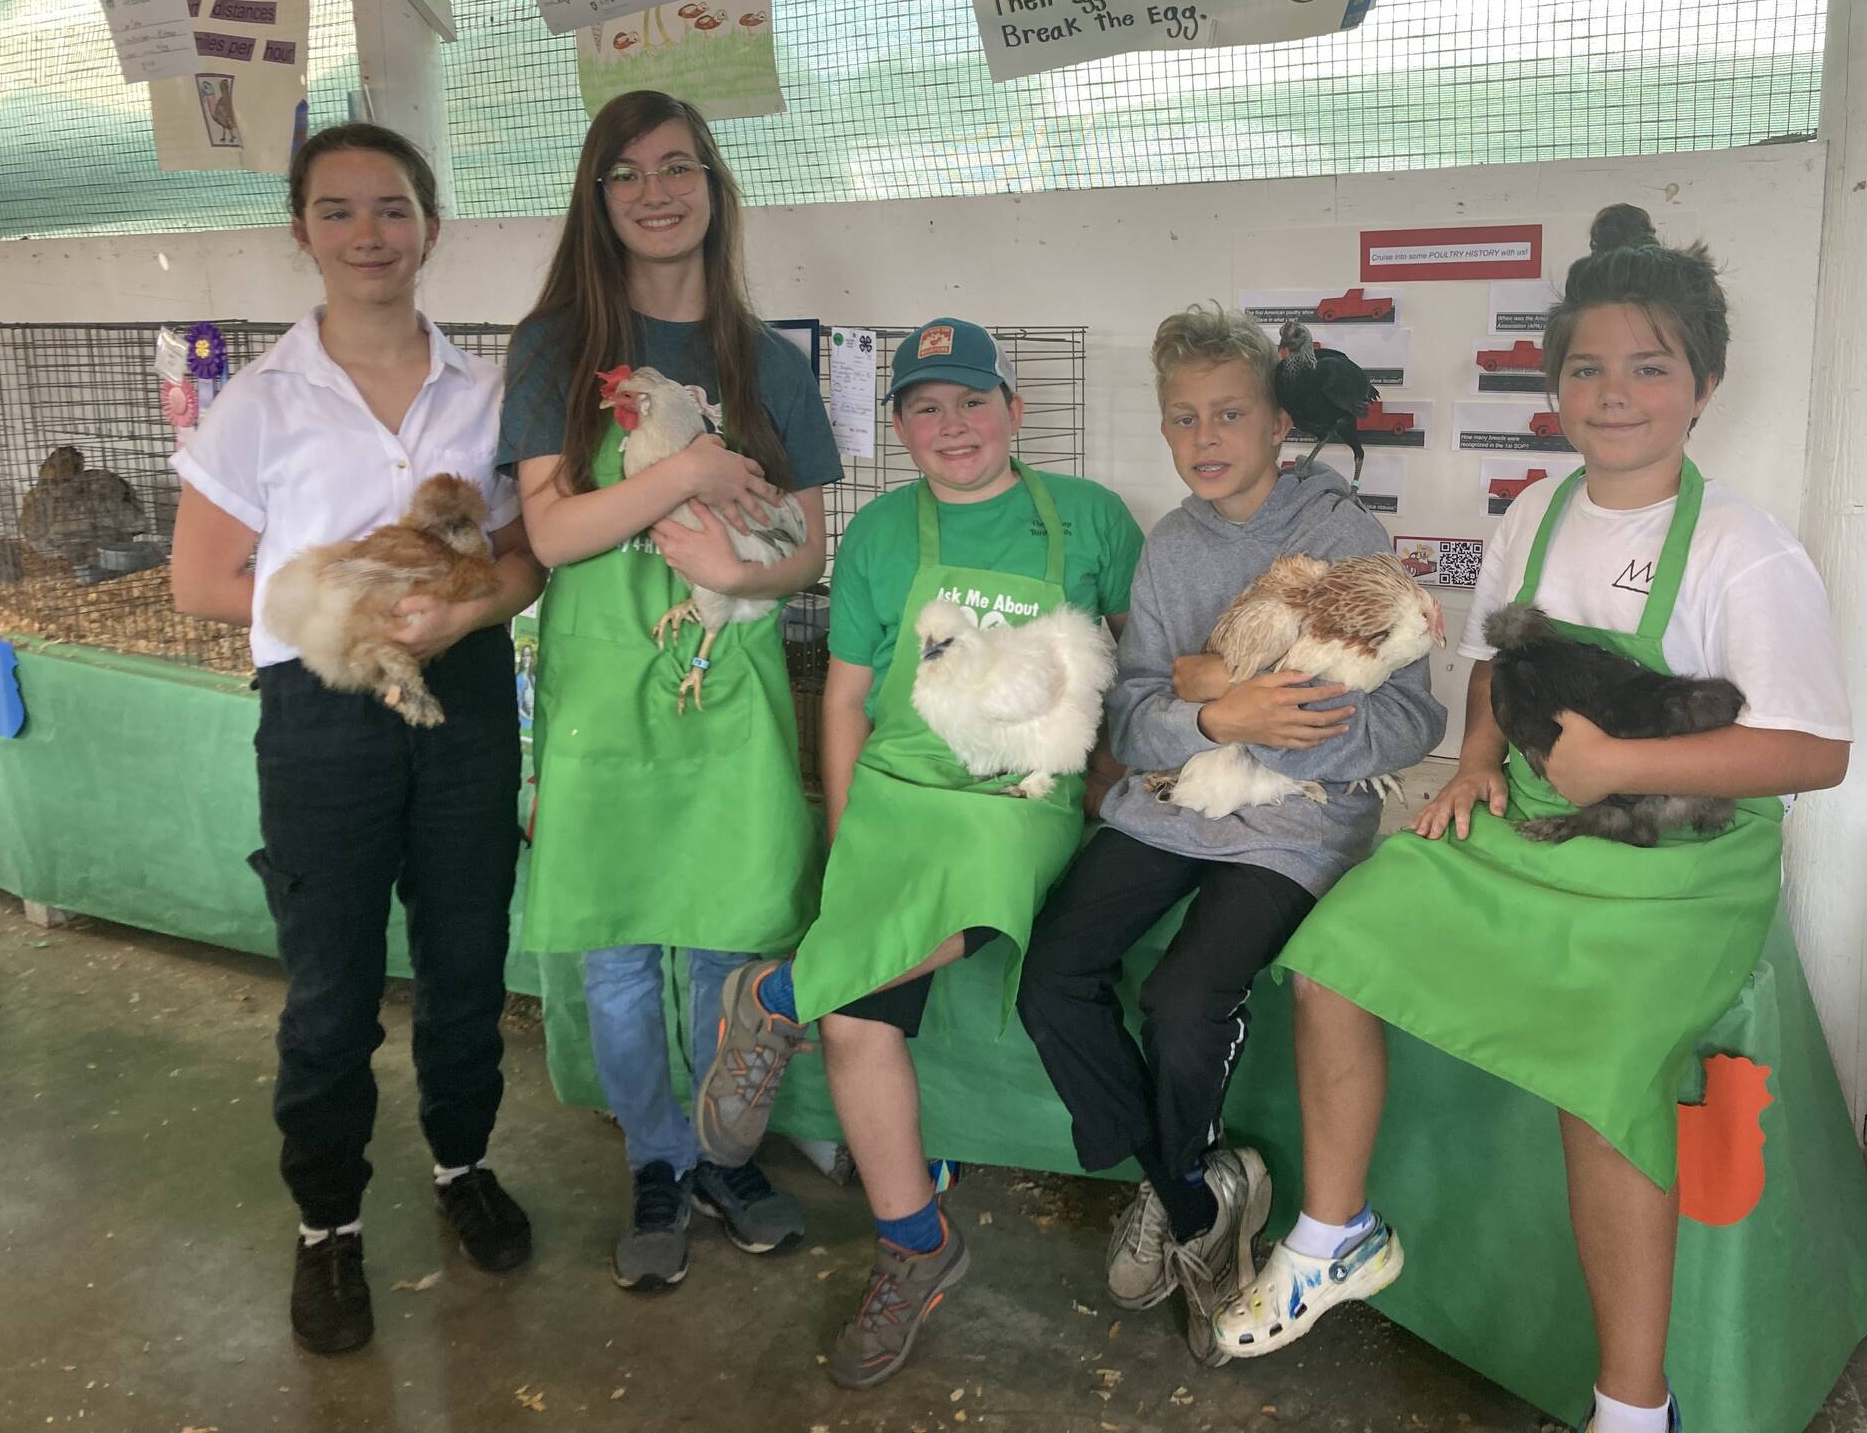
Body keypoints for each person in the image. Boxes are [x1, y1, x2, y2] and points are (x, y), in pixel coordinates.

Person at [1213, 206, 1854, 1433]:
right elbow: (1495, 670)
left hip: (1680, 862)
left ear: (1703, 385)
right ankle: (1334, 1235)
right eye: (1586, 369)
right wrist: (1473, 763)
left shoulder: (1741, 550)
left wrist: (1625, 760)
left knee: (1599, 1073)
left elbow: (1810, 752)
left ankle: (1631, 1406)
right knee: (1335, 953)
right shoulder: (1535, 516)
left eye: (1648, 368)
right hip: (1539, 827)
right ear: (1554, 384)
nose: (1614, 395)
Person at [692, 319, 1143, 1387]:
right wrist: (849, 835)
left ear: (1012, 411)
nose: (953, 425)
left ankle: (779, 995)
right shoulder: (883, 533)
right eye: (926, 407)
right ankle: (914, 1246)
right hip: (899, 788)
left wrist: (1112, 793)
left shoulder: (1087, 518)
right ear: (897, 427)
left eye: (972, 401)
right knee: (858, 1020)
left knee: (983, 891)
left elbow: (1132, 667)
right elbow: (846, 696)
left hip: (1019, 791)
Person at [170, 122, 546, 1356]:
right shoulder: (259, 402)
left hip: (464, 697)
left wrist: (459, 614)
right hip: (324, 714)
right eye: (338, 212)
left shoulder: (489, 395)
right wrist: (356, 619)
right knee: (331, 983)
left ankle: (461, 1162)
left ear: (429, 227)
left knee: (464, 953)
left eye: (391, 209)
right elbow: (202, 580)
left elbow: (525, 555)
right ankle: (327, 1222)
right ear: (301, 230)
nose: (368, 234)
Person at [1014, 304, 1446, 1364]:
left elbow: (1414, 715)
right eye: (1182, 419)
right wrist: (1215, 716)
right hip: (1174, 796)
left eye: (1227, 414)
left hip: (1295, 826)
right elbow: (1132, 712)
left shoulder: (1340, 531)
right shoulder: (1169, 545)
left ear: (1272, 423)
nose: (1204, 438)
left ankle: (1181, 1196)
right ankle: (1197, 1197)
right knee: (1051, 977)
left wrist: (1279, 732)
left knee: (1182, 996)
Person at [498, 91, 841, 1291]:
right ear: (597, 199)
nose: (657, 190)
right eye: (628, 172)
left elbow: (804, 550)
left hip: (724, 686)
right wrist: (686, 475)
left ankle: (719, 1153)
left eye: (679, 166)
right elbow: (548, 532)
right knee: (616, 954)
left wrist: (737, 561)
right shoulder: (555, 348)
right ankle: (654, 1157)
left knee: (719, 944)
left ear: (712, 186)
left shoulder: (770, 363)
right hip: (603, 695)